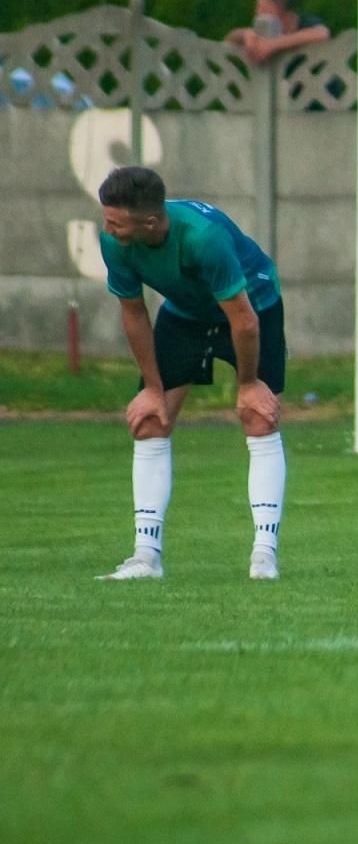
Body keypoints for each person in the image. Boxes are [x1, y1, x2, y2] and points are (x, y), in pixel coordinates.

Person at [94, 166, 287, 581]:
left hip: (253, 306)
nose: (107, 228)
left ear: (149, 222)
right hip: (185, 315)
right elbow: (133, 311)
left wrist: (249, 384)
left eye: (115, 221)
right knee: (149, 419)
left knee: (259, 417)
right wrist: (151, 387)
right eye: (106, 218)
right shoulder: (115, 241)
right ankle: (146, 557)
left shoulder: (203, 237)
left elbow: (245, 320)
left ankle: (263, 555)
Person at [224, 0, 331, 67]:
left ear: (283, 12)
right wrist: (245, 34)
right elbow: (229, 40)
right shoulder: (264, 29)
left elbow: (322, 34)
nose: (258, 13)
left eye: (264, 9)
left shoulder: (306, 22)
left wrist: (273, 45)